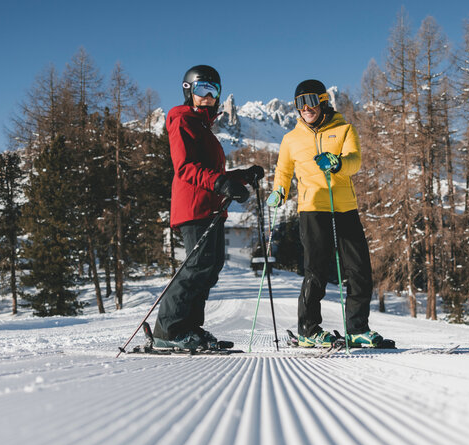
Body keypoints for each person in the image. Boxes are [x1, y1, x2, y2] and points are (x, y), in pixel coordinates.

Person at [153, 65, 263, 350]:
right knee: (197, 265)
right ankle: (169, 330)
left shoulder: (204, 127)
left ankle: (189, 327)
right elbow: (186, 167)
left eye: (213, 91)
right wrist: (221, 184)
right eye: (202, 90)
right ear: (188, 91)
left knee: (211, 267)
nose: (208, 96)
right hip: (193, 206)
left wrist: (241, 176)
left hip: (211, 207)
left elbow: (212, 171)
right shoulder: (181, 119)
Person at [268, 79, 384, 348]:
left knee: (359, 270)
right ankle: (309, 330)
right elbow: (283, 172)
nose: (305, 108)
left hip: (344, 207)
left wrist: (338, 163)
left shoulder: (344, 129)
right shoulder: (290, 139)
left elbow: (355, 160)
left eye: (310, 101)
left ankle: (357, 329)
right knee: (316, 271)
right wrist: (280, 191)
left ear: (322, 101)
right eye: (299, 103)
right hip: (312, 208)